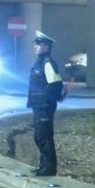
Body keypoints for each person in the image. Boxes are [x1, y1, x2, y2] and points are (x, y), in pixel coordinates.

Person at [26, 30, 65, 176]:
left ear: (47, 46)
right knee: (40, 136)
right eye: (35, 43)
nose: (35, 46)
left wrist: (46, 100)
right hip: (38, 105)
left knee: (44, 136)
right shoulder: (40, 62)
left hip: (44, 106)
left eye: (39, 43)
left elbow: (55, 85)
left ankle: (49, 168)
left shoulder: (48, 63)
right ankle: (44, 165)